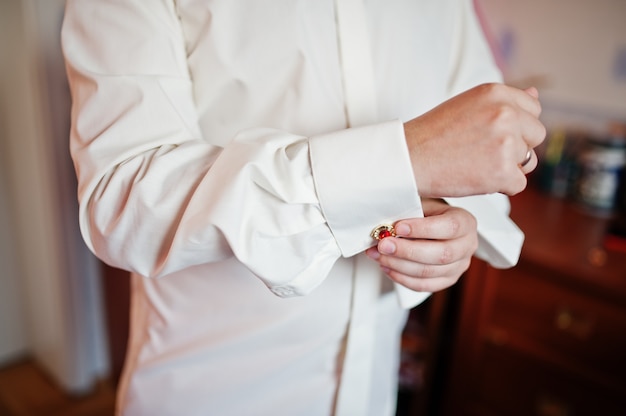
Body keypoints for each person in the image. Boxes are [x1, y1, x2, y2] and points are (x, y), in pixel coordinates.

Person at [61, 0, 545, 415]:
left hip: (373, 392)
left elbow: (473, 146)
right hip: (211, 394)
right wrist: (404, 158)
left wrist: (456, 228)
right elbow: (122, 201)